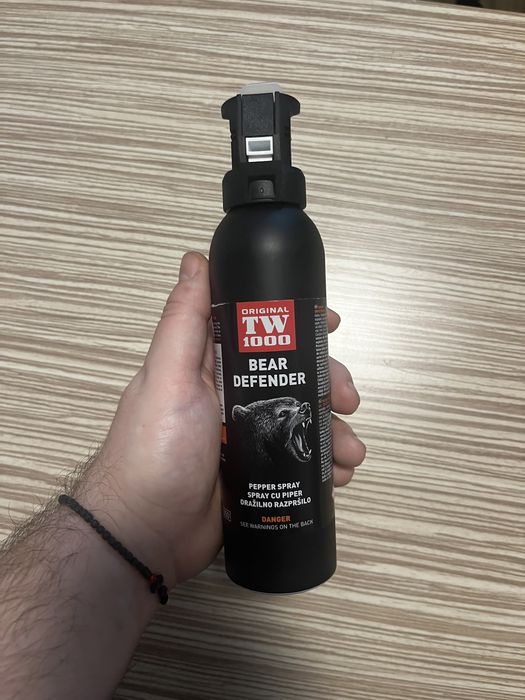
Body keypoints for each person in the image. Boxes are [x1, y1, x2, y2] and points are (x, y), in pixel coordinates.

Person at [0, 252, 366, 700]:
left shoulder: (283, 241)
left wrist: (132, 526)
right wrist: (136, 516)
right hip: (240, 512)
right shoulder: (237, 246)